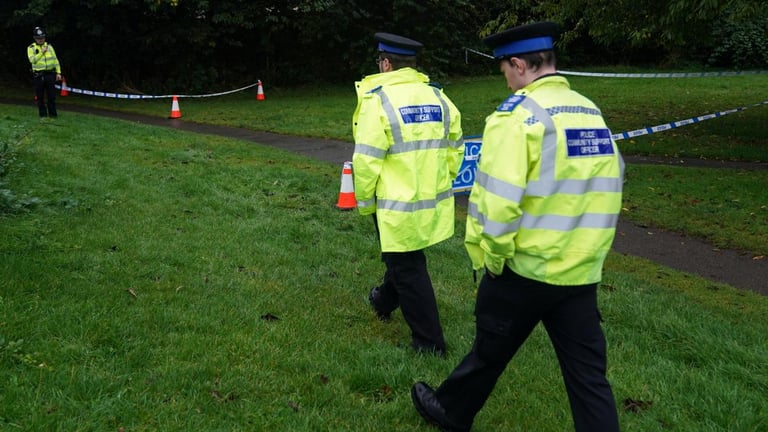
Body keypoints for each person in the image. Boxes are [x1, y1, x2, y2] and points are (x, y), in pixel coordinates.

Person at [411, 22, 624, 431]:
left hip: (523, 268)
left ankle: (450, 412)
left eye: (504, 71)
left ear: (518, 65)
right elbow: (610, 184)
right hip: (580, 271)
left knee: (490, 350)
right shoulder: (589, 111)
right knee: (588, 378)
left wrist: (492, 261)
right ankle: (450, 407)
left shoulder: (516, 117)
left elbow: (497, 204)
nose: (506, 81)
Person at [352, 32, 464, 356]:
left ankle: (430, 345)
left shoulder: (379, 100)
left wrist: (365, 203)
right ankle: (383, 300)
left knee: (408, 266)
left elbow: (366, 159)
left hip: (394, 204)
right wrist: (441, 180)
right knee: (401, 257)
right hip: (431, 198)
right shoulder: (440, 98)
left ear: (386, 63)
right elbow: (456, 147)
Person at [27, 26, 63, 119]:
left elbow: (55, 60)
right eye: (38, 38)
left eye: (42, 37)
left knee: (51, 96)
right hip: (38, 75)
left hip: (50, 74)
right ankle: (43, 115)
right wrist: (41, 53)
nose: (41, 40)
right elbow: (32, 60)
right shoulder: (31, 48)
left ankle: (53, 115)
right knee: (40, 96)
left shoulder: (50, 47)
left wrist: (58, 72)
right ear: (35, 38)